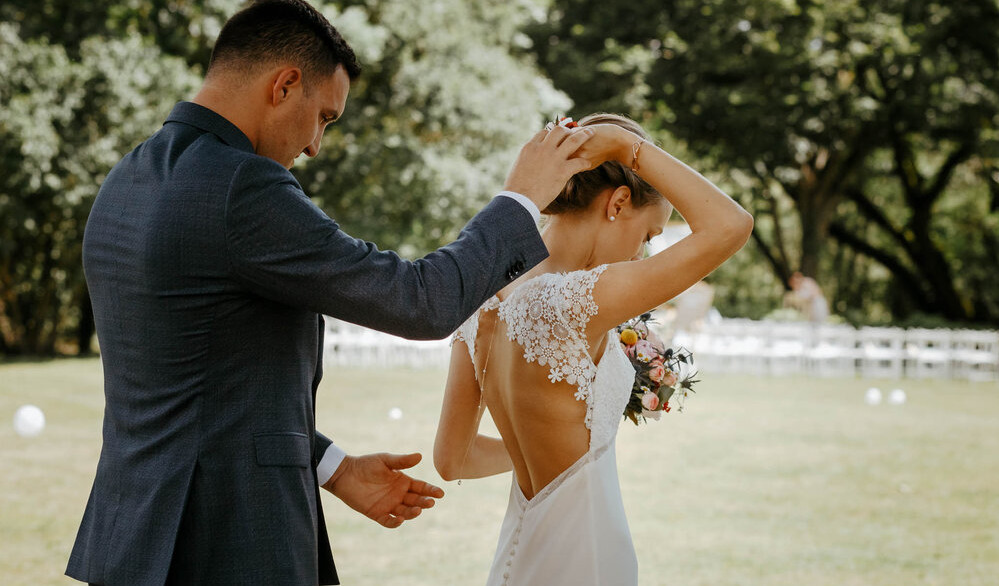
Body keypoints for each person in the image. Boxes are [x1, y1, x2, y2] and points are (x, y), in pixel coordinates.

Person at [65, 1, 609, 584]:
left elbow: (189, 389)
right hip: (227, 541)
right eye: (324, 117)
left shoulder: (127, 179)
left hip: (131, 543)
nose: (315, 145)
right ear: (285, 84)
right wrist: (520, 201)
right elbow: (420, 301)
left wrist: (333, 467)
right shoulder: (243, 186)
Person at [434, 113, 753, 585]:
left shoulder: (483, 294)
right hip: (588, 557)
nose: (643, 254)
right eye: (648, 236)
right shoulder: (577, 299)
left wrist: (536, 450)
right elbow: (730, 225)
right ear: (619, 202)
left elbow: (452, 459)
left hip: (521, 555)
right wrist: (628, 148)